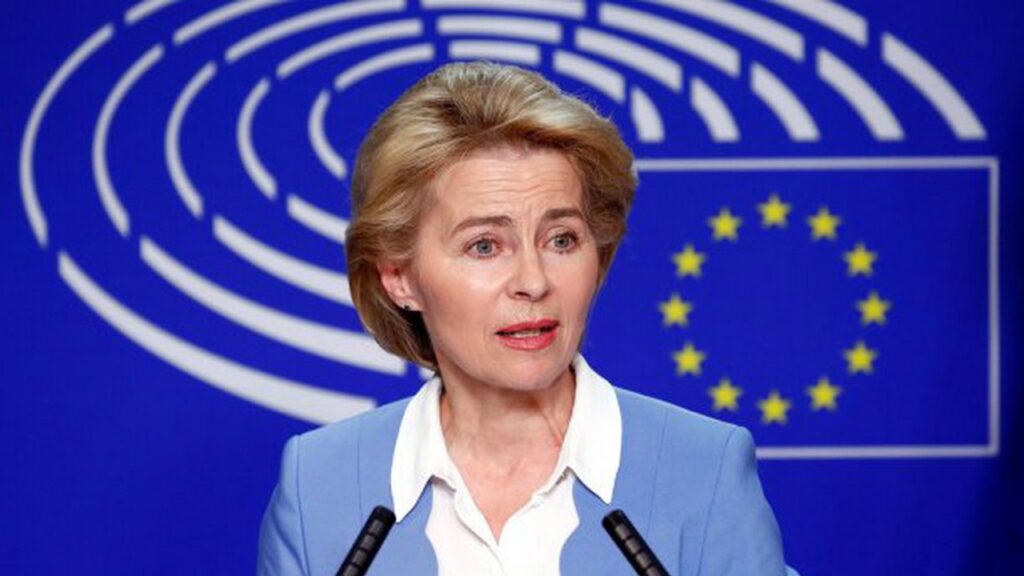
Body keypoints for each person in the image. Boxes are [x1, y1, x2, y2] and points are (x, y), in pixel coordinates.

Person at [258, 62, 791, 575]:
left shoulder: (704, 470)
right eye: (484, 246)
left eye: (561, 240)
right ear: (398, 277)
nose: (533, 282)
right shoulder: (317, 483)